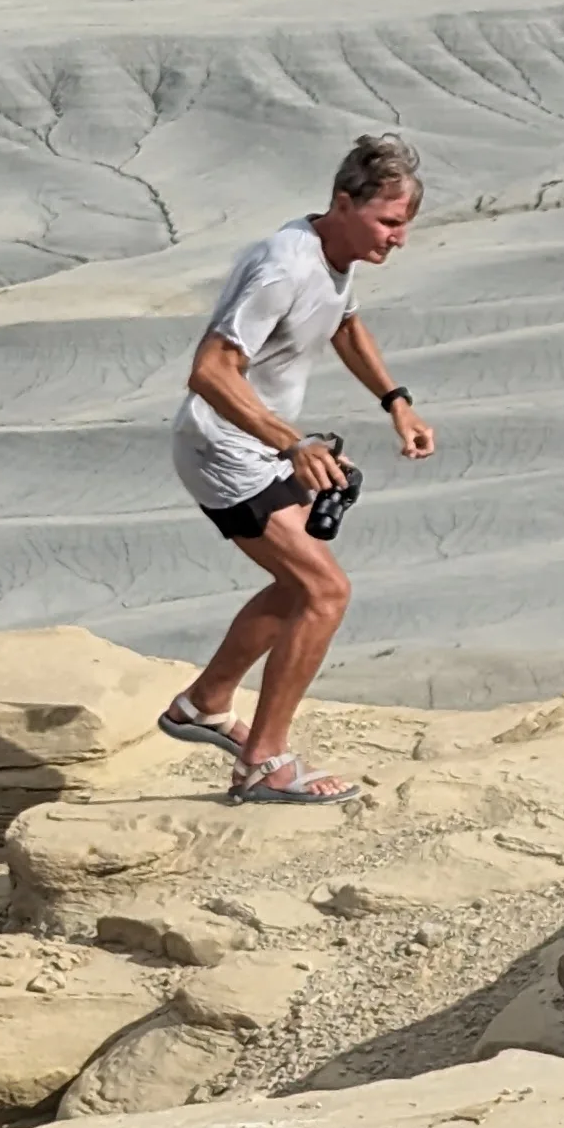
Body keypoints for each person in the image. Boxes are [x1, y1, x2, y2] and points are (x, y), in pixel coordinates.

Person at [155, 133, 438, 805]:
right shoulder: (282, 265)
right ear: (343, 201)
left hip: (260, 446)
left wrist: (396, 403)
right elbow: (208, 371)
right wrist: (292, 444)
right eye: (389, 222)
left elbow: (344, 322)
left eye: (405, 225)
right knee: (324, 592)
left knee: (296, 585)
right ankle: (262, 761)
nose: (398, 239)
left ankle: (203, 704)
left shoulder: (335, 254)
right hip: (224, 450)